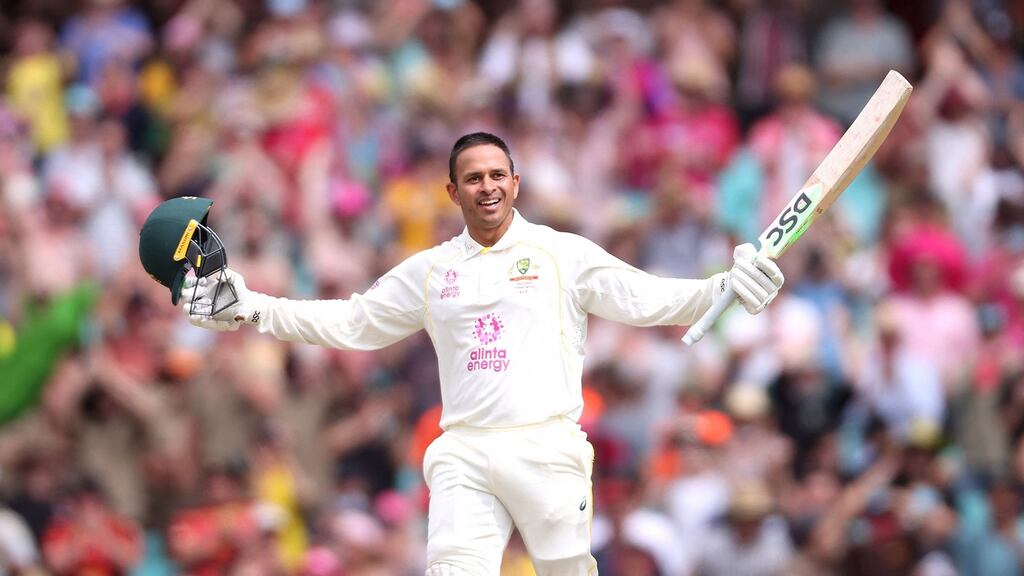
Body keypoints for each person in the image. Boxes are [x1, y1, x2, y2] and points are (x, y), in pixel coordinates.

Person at [179, 132, 784, 575]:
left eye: (498, 175)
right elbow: (354, 322)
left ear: (515, 183)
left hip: (547, 446)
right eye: (473, 178)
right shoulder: (432, 269)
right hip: (465, 449)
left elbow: (649, 299)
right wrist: (253, 306)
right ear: (452, 191)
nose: (487, 186)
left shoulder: (560, 254)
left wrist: (724, 288)